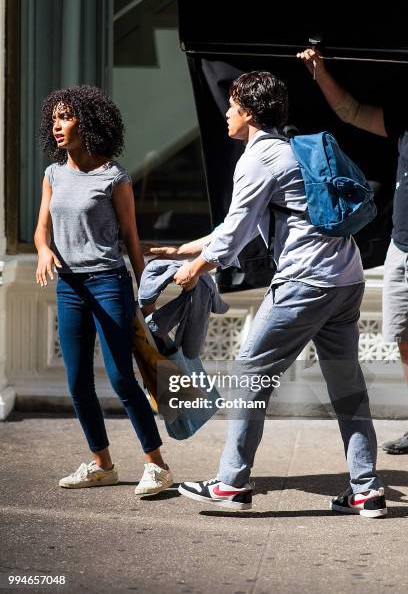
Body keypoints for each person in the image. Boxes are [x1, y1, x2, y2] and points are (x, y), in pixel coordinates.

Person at [169, 70, 386, 517]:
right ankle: (366, 489)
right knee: (347, 387)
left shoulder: (256, 158)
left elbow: (232, 239)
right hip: (346, 279)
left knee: (249, 369)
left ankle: (230, 482)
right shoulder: (288, 150)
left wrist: (194, 268)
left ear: (247, 112)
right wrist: (191, 247)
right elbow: (243, 224)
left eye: (232, 106)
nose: (226, 114)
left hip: (305, 282)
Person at [34, 85, 173, 494]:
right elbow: (41, 231)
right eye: (55, 119)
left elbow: (131, 239)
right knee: (77, 382)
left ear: (89, 123)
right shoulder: (54, 174)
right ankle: (102, 464)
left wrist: (145, 294)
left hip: (109, 283)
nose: (58, 126)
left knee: (121, 379)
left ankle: (157, 465)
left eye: (67, 117)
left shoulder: (114, 177)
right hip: (70, 287)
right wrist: (43, 251)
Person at [297, 48, 408, 455]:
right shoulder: (404, 118)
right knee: (404, 335)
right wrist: (319, 71)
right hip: (402, 246)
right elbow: (352, 112)